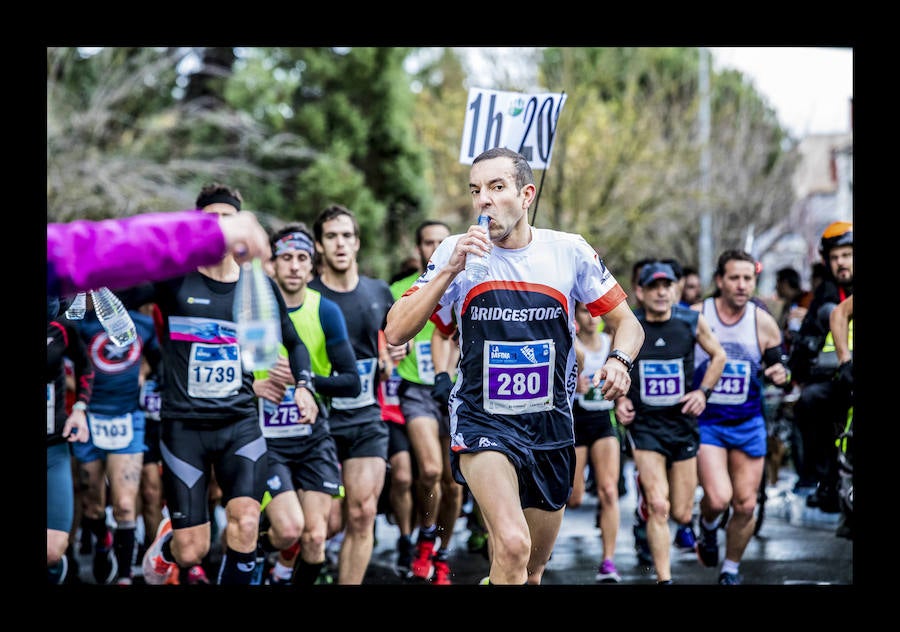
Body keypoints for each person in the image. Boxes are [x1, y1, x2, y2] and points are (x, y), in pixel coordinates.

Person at [384, 147, 645, 585]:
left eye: (496, 187)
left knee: (531, 570)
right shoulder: (456, 252)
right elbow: (395, 330)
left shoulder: (569, 252)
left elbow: (628, 325)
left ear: (526, 195)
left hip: (551, 426)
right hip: (483, 419)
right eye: (475, 190)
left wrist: (620, 361)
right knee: (511, 544)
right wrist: (450, 270)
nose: (483, 199)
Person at [140, 184, 319, 585]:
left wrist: (303, 385)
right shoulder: (175, 280)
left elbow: (293, 343)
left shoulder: (257, 285)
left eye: (227, 218)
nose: (219, 226)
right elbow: (123, 288)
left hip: (238, 423)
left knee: (245, 522)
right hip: (184, 427)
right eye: (210, 219)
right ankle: (167, 546)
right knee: (192, 550)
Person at [255, 223, 361, 586]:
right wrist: (254, 384)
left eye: (302, 259)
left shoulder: (325, 311)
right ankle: (249, 554)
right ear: (270, 264)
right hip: (264, 438)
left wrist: (306, 382)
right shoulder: (252, 309)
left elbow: (351, 381)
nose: (295, 267)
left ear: (313, 267)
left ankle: (283, 571)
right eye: (286, 258)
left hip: (311, 433)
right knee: (288, 529)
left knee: (317, 536)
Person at [614, 261, 726, 584]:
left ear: (676, 288)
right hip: (646, 425)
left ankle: (655, 512)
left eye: (667, 286)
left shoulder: (691, 321)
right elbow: (617, 363)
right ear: (640, 291)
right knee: (659, 505)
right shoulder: (630, 323)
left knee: (681, 513)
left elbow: (718, 355)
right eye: (654, 287)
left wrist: (703, 392)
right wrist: (621, 400)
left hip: (682, 425)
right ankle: (665, 579)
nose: (662, 293)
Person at [308, 204, 397, 584]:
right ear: (319, 245)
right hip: (318, 422)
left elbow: (394, 340)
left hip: (365, 418)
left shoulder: (378, 292)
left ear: (357, 242)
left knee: (362, 514)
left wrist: (394, 351)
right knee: (321, 526)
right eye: (331, 236)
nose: (340, 243)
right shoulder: (307, 294)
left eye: (346, 235)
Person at [692, 249, 791, 585]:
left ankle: (730, 569)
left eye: (748, 278)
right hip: (708, 424)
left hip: (748, 423)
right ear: (720, 281)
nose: (742, 285)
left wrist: (781, 373)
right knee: (718, 499)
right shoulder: (698, 315)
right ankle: (706, 527)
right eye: (734, 277)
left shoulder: (762, 322)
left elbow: (780, 366)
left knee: (746, 505)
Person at [69, 288, 162, 585]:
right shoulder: (80, 322)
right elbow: (61, 358)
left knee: (124, 504)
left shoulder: (141, 325)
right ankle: (103, 538)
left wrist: (144, 373)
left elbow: (159, 359)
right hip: (89, 417)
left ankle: (123, 576)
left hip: (127, 417)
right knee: (92, 504)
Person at [389, 219, 464, 585]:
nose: (435, 247)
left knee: (454, 483)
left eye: (441, 241)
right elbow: (386, 334)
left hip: (457, 390)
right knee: (430, 470)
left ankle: (443, 552)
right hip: (416, 389)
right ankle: (425, 534)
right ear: (418, 248)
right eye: (428, 242)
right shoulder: (401, 289)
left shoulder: (467, 280)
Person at [48, 208, 273, 298]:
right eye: (215, 215)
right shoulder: (177, 283)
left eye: (226, 215)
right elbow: (76, 255)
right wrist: (211, 233)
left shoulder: (251, 283)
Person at [788, 221, 853, 509]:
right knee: (809, 402)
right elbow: (806, 341)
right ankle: (823, 478)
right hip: (837, 376)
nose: (841, 263)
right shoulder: (825, 294)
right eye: (835, 257)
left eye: (847, 255)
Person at [567, 301, 626, 583]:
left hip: (604, 422)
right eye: (584, 312)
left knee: (608, 491)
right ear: (575, 315)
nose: (591, 318)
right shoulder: (571, 343)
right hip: (576, 423)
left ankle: (608, 561)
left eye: (595, 313)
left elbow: (625, 379)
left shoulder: (610, 345)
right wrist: (571, 383)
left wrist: (623, 399)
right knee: (574, 498)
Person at [47, 302, 94, 584]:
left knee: (52, 551)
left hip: (53, 446)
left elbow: (85, 364)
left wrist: (79, 409)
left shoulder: (61, 325)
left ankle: (56, 569)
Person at [774, 266, 813, 355]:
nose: (776, 288)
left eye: (778, 283)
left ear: (785, 283)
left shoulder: (807, 300)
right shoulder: (788, 304)